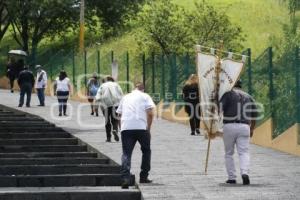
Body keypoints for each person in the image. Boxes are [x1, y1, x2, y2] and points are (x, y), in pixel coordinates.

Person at [116, 82, 155, 189]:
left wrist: (121, 128)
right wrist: (148, 128)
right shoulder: (145, 96)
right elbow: (150, 113)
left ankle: (125, 179)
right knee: (146, 151)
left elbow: (119, 115)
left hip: (126, 128)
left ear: (134, 88)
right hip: (142, 128)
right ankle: (143, 176)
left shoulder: (125, 97)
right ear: (143, 89)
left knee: (126, 154)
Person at [219, 80, 258, 185]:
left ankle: (231, 177)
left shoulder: (227, 94)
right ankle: (245, 173)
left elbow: (219, 110)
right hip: (245, 126)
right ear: (241, 86)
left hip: (229, 125)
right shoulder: (249, 97)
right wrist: (252, 129)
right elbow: (254, 116)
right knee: (244, 152)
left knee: (229, 153)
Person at [95, 76, 123, 142]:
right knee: (115, 119)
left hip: (105, 105)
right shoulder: (116, 85)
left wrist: (97, 103)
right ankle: (115, 130)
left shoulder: (102, 85)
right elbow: (121, 94)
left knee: (107, 120)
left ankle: (108, 138)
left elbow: (98, 95)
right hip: (115, 104)